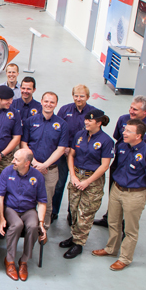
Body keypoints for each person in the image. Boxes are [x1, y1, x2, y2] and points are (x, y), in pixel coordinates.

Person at [91, 119, 146, 271]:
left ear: (139, 136)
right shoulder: (122, 146)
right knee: (113, 222)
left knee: (130, 229)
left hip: (134, 195)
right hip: (116, 189)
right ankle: (111, 249)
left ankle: (125, 258)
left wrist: (138, 191)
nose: (124, 133)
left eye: (129, 131)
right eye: (125, 130)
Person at [95, 95, 146, 227]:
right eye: (131, 108)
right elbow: (117, 137)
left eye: (136, 110)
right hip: (120, 162)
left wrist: (144, 155)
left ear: (145, 111)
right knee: (114, 190)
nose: (131, 111)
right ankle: (109, 217)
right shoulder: (123, 119)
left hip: (137, 168)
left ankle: (124, 223)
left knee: (130, 196)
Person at [60, 109, 113, 259]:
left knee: (86, 213)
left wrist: (87, 182)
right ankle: (74, 236)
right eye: (86, 120)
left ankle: (79, 243)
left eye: (90, 121)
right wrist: (73, 175)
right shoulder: (80, 135)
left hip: (92, 181)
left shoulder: (106, 141)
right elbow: (71, 154)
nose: (86, 122)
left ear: (99, 122)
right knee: (74, 209)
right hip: (76, 176)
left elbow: (104, 166)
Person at [0, 149, 47, 281]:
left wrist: (41, 223)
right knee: (17, 225)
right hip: (10, 208)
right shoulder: (7, 172)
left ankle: (23, 261)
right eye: (14, 158)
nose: (13, 161)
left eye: (17, 160)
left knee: (33, 226)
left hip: (28, 209)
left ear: (27, 163)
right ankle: (10, 260)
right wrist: (1, 218)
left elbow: (42, 202)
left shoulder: (37, 177)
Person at [21, 91, 68, 229]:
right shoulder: (30, 121)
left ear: (56, 104)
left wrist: (45, 165)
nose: (48, 104)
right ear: (41, 102)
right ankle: (24, 227)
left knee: (46, 202)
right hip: (30, 168)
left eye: (52, 102)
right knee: (25, 199)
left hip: (50, 171)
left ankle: (43, 228)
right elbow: (24, 144)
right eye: (46, 101)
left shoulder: (62, 124)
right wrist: (35, 163)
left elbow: (61, 148)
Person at [52, 84, 96, 222]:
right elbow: (57, 129)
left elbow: (95, 133)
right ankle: (54, 211)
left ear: (87, 97)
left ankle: (73, 213)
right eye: (76, 95)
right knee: (59, 184)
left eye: (82, 96)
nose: (78, 98)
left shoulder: (93, 113)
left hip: (82, 157)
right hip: (64, 154)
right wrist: (64, 147)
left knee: (76, 186)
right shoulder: (65, 110)